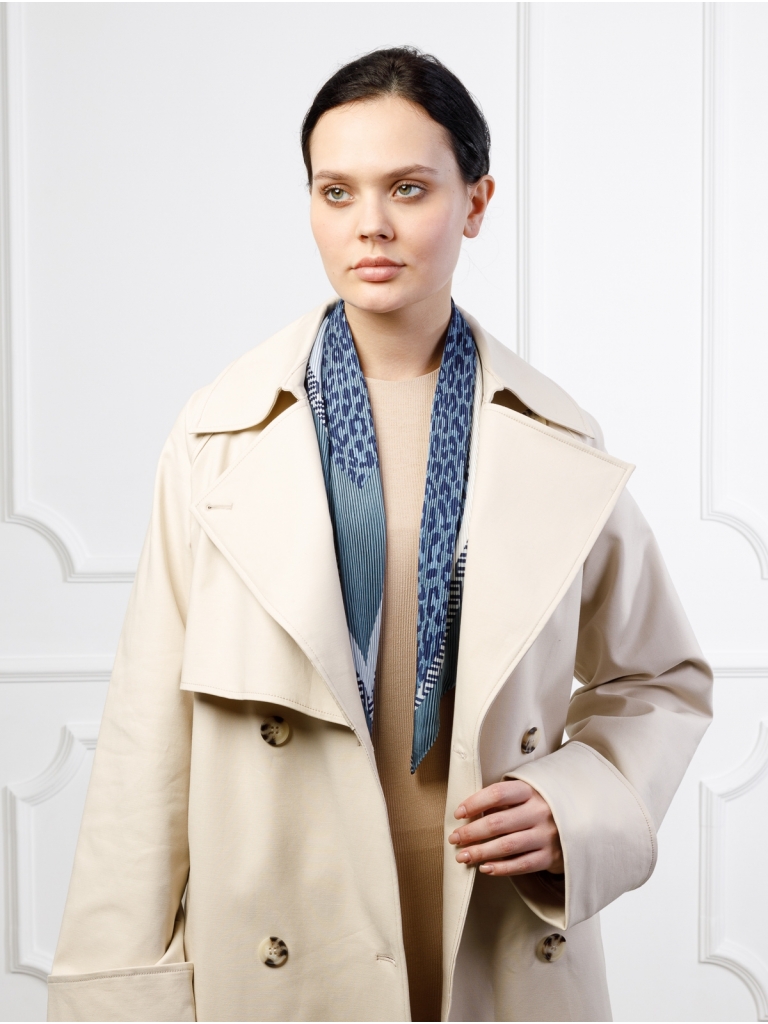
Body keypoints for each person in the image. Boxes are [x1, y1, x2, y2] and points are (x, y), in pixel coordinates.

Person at [47, 47, 712, 1023]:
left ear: (476, 201)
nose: (371, 224)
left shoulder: (552, 439)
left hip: (490, 921)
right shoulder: (218, 439)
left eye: (408, 188)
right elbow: (147, 743)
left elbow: (661, 680)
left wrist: (577, 808)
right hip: (283, 934)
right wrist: (119, 993)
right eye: (337, 191)